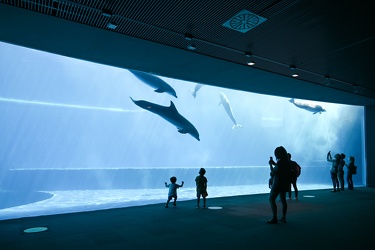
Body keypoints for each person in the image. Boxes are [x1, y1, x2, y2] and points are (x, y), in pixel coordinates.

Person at [267, 146, 290, 224]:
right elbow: (281, 168)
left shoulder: (280, 162)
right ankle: (284, 217)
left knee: (271, 199)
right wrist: (275, 163)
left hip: (278, 183)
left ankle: (274, 218)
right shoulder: (287, 162)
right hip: (284, 183)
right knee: (283, 200)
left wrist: (270, 165)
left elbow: (273, 172)